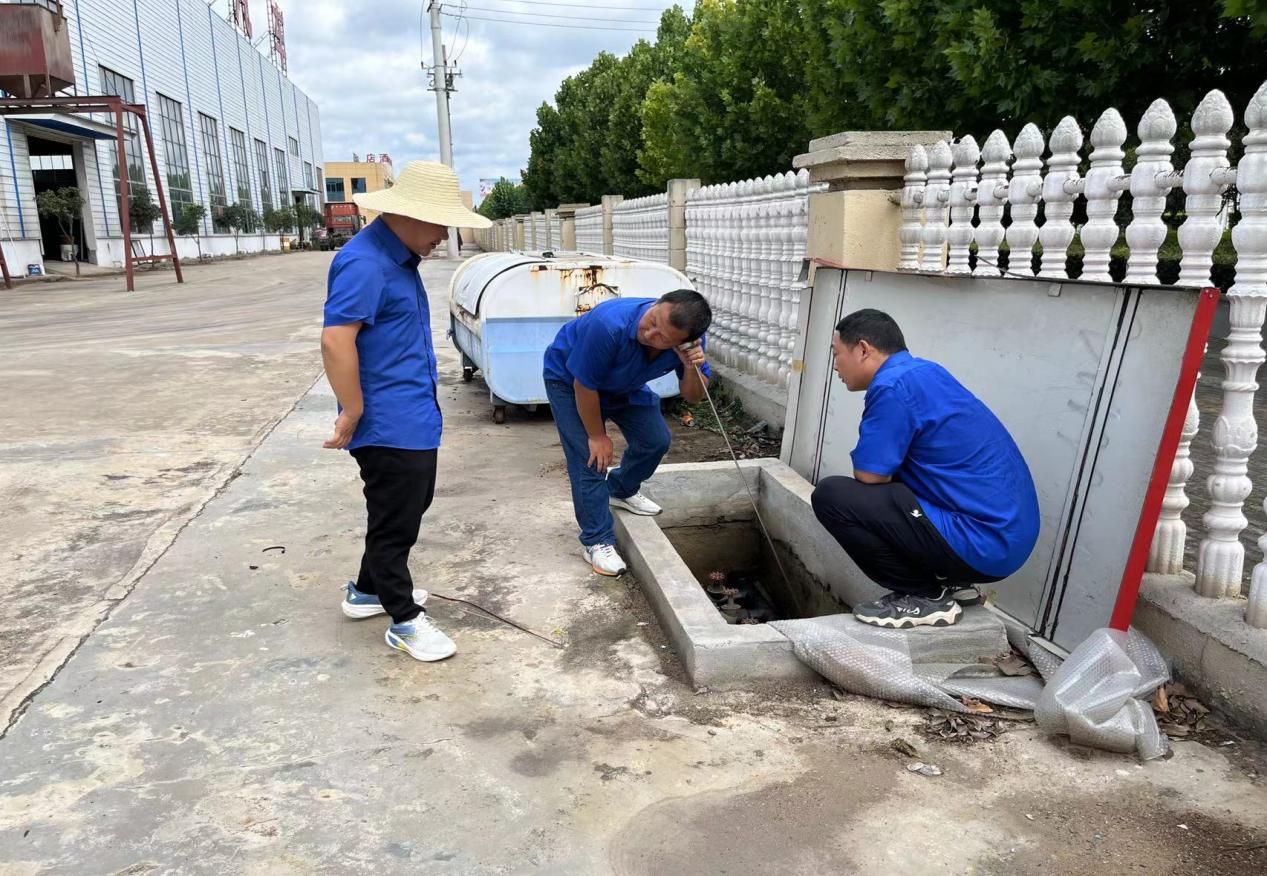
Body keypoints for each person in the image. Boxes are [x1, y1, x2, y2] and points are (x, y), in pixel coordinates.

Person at [321, 160, 490, 662]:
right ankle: (404, 619)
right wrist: (352, 410)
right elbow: (335, 340)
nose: (444, 236)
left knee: (405, 506)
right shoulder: (365, 263)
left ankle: (367, 591)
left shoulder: (398, 259)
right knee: (396, 521)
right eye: (441, 225)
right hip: (386, 421)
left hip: (411, 413)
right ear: (412, 215)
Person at [811, 309, 1040, 629]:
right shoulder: (925, 372)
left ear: (862, 349)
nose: (835, 365)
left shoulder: (891, 387)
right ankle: (953, 584)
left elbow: (870, 475)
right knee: (897, 486)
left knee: (833, 496)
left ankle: (922, 595)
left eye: (836, 353)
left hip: (983, 541)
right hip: (1005, 536)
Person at [543, 290, 712, 576]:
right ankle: (596, 540)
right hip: (570, 382)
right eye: (653, 320)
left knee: (655, 441)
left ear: (681, 343)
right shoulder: (608, 324)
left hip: (624, 384)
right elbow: (584, 385)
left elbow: (693, 396)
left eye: (663, 337)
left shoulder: (689, 345)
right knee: (590, 459)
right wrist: (597, 436)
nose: (649, 332)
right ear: (656, 304)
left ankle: (619, 490)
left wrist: (689, 367)